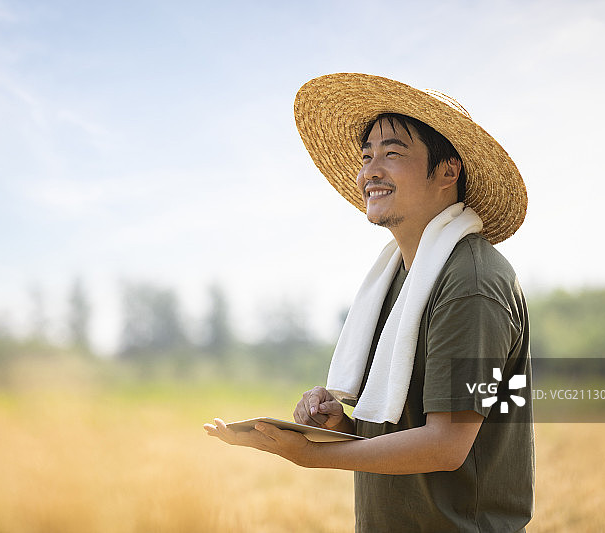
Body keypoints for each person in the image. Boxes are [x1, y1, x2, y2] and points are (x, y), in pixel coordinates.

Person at [204, 73, 534, 532]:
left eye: (392, 153)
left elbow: (447, 443)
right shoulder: (399, 280)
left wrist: (316, 456)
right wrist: (338, 426)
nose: (370, 171)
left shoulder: (470, 283)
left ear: (447, 171)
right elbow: (408, 428)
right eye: (367, 157)